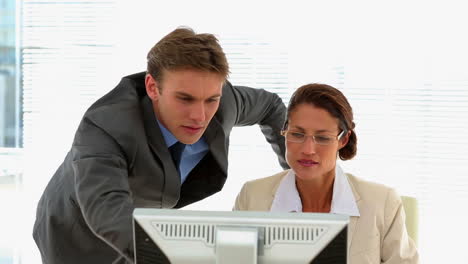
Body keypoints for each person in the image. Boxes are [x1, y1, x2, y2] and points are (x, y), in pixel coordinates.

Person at [33, 27, 288, 264]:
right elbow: (108, 213)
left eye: (211, 99)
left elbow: (271, 107)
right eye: (184, 99)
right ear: (152, 87)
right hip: (78, 232)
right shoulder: (104, 126)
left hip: (143, 216)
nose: (200, 116)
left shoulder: (225, 103)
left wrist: (299, 176)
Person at [233, 83, 419, 263]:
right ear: (284, 131)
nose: (308, 149)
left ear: (343, 139)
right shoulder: (252, 196)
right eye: (297, 134)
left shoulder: (382, 203)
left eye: (322, 138)